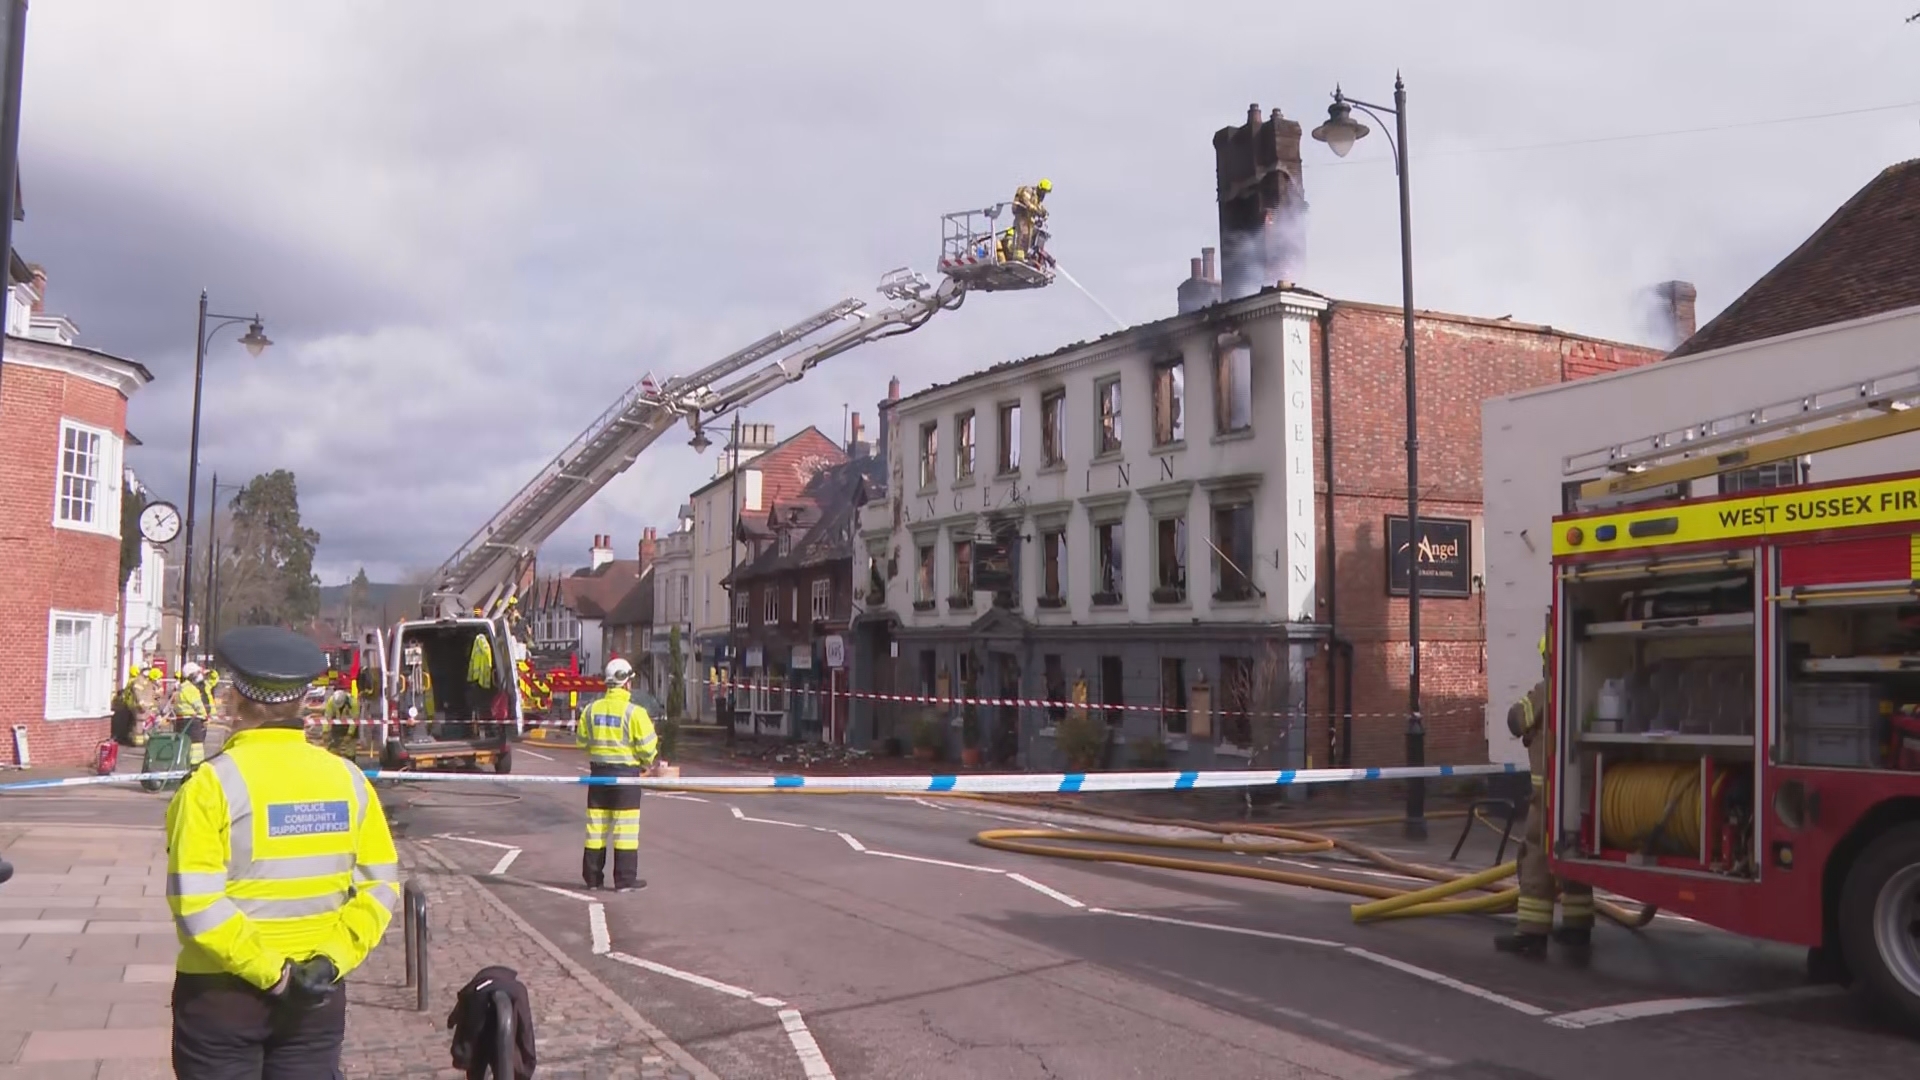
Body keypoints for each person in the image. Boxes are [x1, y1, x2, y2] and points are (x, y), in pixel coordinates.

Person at [165, 625, 401, 1078]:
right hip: (316, 995)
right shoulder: (349, 780)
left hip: (222, 995)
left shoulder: (210, 786)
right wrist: (330, 961)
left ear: (234, 700)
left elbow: (196, 903)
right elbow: (380, 887)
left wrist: (274, 974)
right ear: (304, 703)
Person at [1495, 626, 1595, 958]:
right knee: (1575, 855)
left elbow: (1515, 720)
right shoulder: (1587, 688)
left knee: (1537, 856)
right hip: (1581, 797)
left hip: (1547, 798)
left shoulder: (1547, 691)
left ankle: (1532, 934)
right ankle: (1578, 926)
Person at [576, 658, 660, 892]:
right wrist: (647, 763)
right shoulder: (636, 713)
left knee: (596, 828)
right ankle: (624, 880)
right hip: (625, 777)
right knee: (625, 830)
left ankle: (592, 879)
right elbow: (648, 748)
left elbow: (582, 741)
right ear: (626, 684)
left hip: (598, 775)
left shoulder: (591, 709)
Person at [173, 662, 215, 765]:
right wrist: (206, 717)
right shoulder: (191, 689)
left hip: (181, 721)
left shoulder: (181, 687)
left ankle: (184, 765)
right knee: (196, 747)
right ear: (192, 675)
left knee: (184, 746)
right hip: (193, 722)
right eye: (198, 673)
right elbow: (198, 705)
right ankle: (195, 766)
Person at [1011, 178, 1051, 259]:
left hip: (1029, 218)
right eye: (1044, 191)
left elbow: (1038, 206)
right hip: (1022, 215)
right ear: (1040, 188)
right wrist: (1036, 210)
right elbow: (1026, 202)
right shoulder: (1028, 191)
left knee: (1030, 237)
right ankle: (1018, 256)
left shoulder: (1036, 197)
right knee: (1024, 234)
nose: (1043, 194)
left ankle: (1025, 256)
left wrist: (1044, 212)